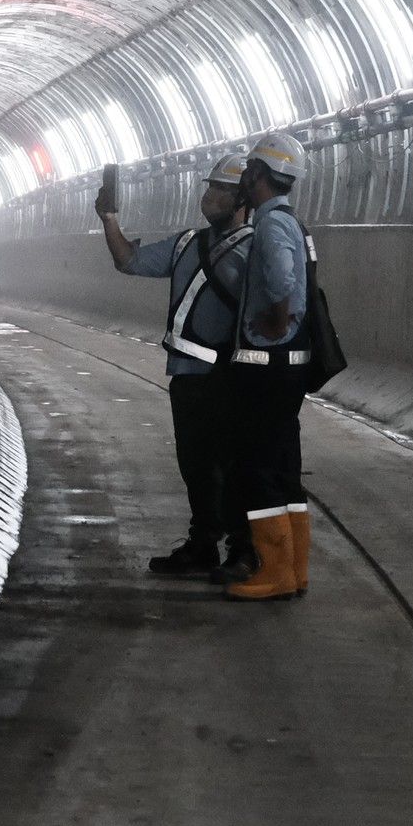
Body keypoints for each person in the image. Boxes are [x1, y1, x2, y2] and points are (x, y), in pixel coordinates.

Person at [99, 153, 258, 580]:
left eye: (221, 189)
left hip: (229, 378)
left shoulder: (255, 248)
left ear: (243, 196)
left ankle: (243, 547)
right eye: (209, 187)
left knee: (233, 466)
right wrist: (109, 218)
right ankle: (203, 543)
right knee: (197, 465)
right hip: (187, 376)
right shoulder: (188, 243)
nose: (209, 196)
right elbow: (127, 261)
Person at [222, 130, 313, 602]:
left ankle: (273, 570)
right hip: (289, 368)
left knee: (257, 465)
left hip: (267, 367)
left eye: (247, 171)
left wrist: (275, 320)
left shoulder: (272, 225)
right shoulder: (291, 221)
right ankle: (294, 569)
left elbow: (281, 279)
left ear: (258, 173)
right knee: (282, 466)